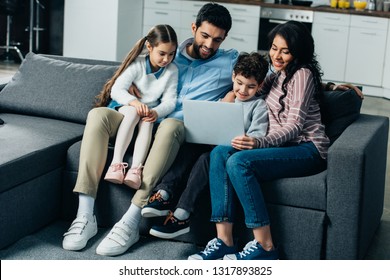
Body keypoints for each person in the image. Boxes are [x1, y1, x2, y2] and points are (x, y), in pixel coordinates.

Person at [62, 2, 238, 257]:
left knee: (170, 125)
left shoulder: (229, 61)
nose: (210, 45)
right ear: (194, 27)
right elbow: (130, 77)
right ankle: (84, 215)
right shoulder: (168, 52)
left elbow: (262, 77)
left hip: (172, 131)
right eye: (205, 36)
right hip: (138, 119)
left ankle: (131, 221)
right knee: (98, 115)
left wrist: (234, 93)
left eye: (217, 40)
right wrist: (132, 98)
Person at [188, 20, 331, 260]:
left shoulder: (302, 74)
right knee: (220, 153)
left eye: (285, 51)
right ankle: (225, 240)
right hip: (284, 147)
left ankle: (265, 247)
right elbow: (249, 88)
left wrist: (258, 143)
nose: (277, 55)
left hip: (307, 149)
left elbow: (295, 127)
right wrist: (231, 94)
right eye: (274, 48)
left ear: (298, 51)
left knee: (239, 162)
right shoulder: (276, 75)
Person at [143, 52, 269, 240]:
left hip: (231, 152)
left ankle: (182, 214)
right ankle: (164, 193)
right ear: (234, 76)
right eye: (240, 83)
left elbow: (257, 135)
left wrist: (247, 140)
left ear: (259, 86)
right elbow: (209, 122)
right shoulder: (226, 98)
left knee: (205, 159)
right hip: (210, 144)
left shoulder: (258, 106)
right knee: (188, 147)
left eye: (251, 87)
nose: (243, 90)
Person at [96, 25, 179, 190]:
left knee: (147, 121)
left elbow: (170, 101)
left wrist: (156, 112)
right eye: (162, 54)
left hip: (149, 111)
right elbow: (116, 90)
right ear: (149, 47)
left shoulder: (172, 71)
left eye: (171, 54)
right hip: (126, 106)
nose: (166, 59)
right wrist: (134, 102)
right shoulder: (137, 64)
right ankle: (116, 164)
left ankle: (135, 170)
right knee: (134, 112)